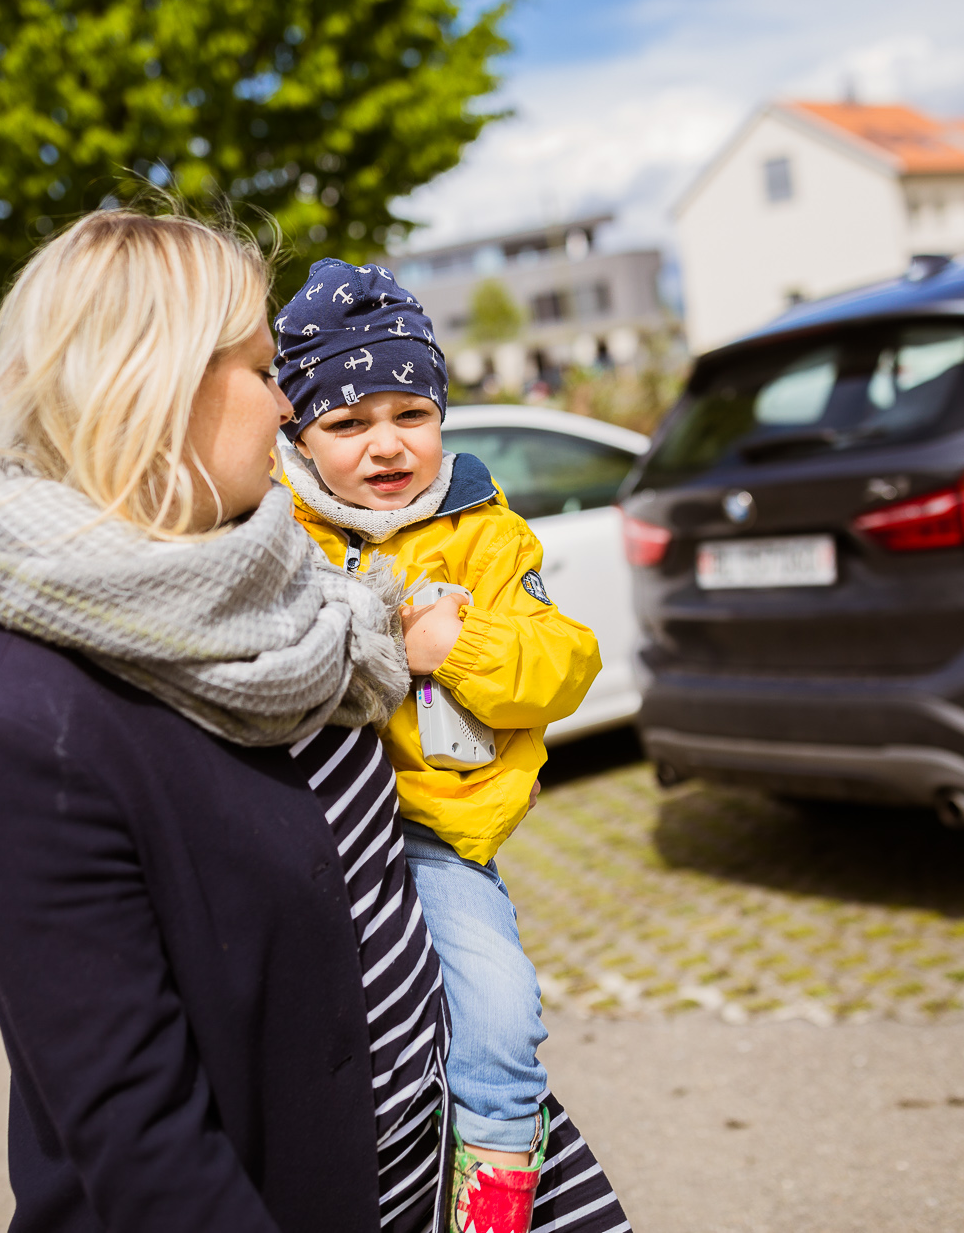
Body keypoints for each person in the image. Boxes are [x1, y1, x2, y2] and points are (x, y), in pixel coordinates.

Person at [0, 211, 628, 1233]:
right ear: (154, 388)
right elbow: (143, 1145)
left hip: (427, 1162)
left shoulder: (293, 582)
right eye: (261, 371)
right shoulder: (25, 721)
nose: (282, 402)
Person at [272, 259, 602, 1232]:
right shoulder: (270, 528)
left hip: (428, 836)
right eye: (346, 422)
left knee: (499, 1016)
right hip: (298, 827)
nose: (386, 446)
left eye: (408, 413)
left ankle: (491, 1198)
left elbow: (561, 664)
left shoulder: (485, 533)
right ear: (295, 433)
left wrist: (456, 644)